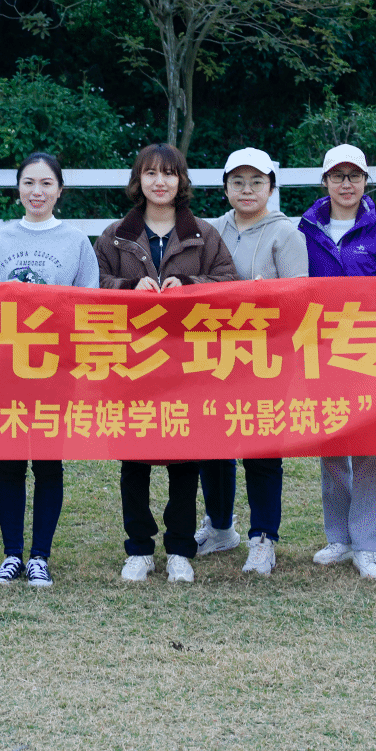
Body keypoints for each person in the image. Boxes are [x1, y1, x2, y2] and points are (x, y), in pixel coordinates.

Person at [97, 143, 236, 583]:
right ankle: (138, 548)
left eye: (169, 173)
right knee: (134, 458)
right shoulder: (114, 235)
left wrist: (190, 284)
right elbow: (92, 286)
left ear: (181, 181)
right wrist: (128, 287)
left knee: (185, 458)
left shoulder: (204, 234)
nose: (160, 182)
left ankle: (179, 548)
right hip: (131, 362)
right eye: (151, 173)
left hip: (187, 363)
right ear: (138, 180)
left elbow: (228, 283)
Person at [0, 151, 100, 588]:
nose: (37, 191)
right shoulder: (1, 240)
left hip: (55, 369)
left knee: (48, 463)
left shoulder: (76, 241)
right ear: (18, 190)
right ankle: (12, 554)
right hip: (5, 367)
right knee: (9, 463)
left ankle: (40, 557)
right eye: (29, 182)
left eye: (46, 183)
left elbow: (89, 304)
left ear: (59, 190)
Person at [297, 144, 376, 582]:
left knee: (370, 450)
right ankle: (339, 538)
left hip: (369, 353)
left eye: (354, 176)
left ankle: (367, 544)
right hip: (319, 352)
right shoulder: (303, 230)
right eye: (338, 176)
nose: (346, 184)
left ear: (365, 181)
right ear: (325, 181)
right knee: (331, 446)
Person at [200, 147, 307, 576]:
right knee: (213, 443)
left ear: (271, 187)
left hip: (266, 358)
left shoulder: (286, 234)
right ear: (225, 187)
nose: (247, 190)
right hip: (215, 355)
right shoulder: (209, 230)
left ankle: (264, 537)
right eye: (238, 182)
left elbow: (300, 298)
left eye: (257, 182)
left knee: (262, 447)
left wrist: (271, 296)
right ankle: (220, 526)